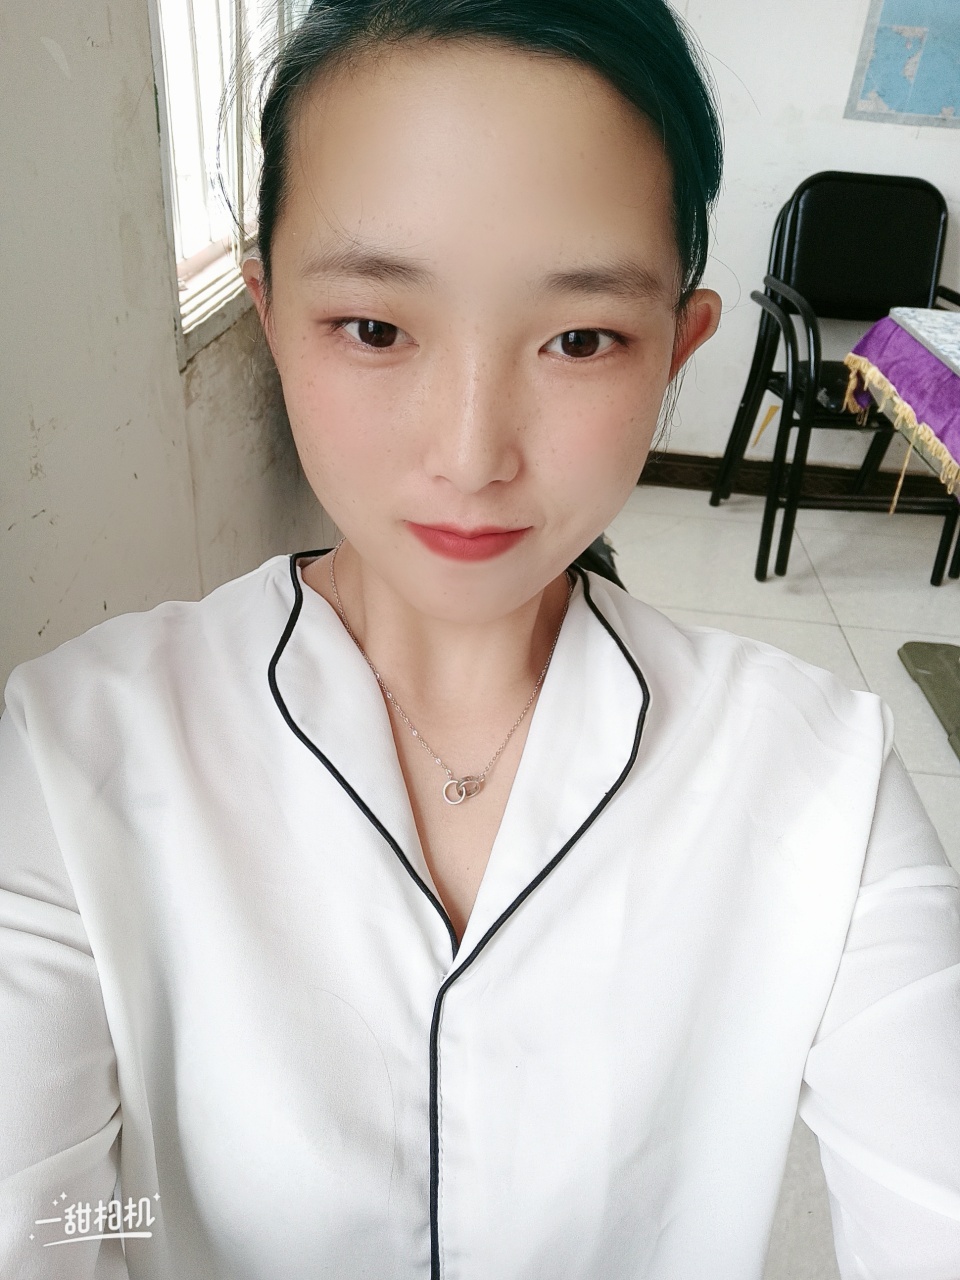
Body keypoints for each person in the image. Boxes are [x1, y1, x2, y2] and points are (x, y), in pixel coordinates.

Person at [2, 0, 959, 1276]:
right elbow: (39, 1222)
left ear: (677, 348)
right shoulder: (69, 753)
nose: (469, 454)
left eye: (580, 338)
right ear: (269, 311)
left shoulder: (824, 783)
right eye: (376, 327)